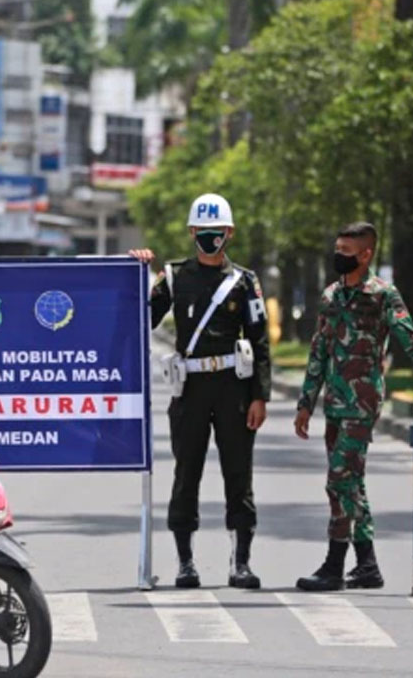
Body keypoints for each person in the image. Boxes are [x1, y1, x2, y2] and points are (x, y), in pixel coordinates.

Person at [293, 222, 413, 591]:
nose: (338, 255)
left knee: (338, 481)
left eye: (346, 250)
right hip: (334, 402)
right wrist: (305, 403)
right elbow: (318, 351)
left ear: (365, 254)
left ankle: (333, 565)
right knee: (352, 483)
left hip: (362, 402)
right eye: (337, 247)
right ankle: (368, 566)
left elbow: (412, 340)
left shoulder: (382, 295)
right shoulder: (331, 296)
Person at [130, 193, 271, 589]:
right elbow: (141, 317)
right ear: (192, 232)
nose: (211, 238)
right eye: (203, 232)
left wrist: (260, 395)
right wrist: (136, 271)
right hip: (190, 389)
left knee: (238, 475)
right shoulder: (174, 277)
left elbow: (259, 339)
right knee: (186, 472)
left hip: (234, 387)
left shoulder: (245, 281)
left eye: (218, 232)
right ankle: (185, 563)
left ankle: (240, 563)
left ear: (230, 233)